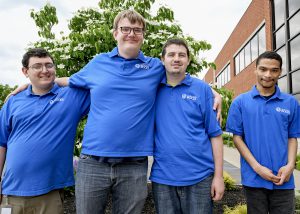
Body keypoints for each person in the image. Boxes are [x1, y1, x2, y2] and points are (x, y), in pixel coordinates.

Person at [9, 10, 222, 214]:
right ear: (115, 33)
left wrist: (212, 92)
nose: (131, 33)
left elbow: (181, 76)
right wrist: (31, 84)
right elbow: (70, 81)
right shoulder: (98, 63)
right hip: (93, 163)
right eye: (126, 28)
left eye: (137, 30)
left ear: (143, 36)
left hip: (134, 165)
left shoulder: (154, 67)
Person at [0, 48, 90, 214]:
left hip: (50, 194)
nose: (44, 70)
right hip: (11, 193)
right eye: (37, 66)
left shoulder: (72, 97)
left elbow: (99, 83)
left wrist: (57, 81)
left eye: (49, 65)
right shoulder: (13, 102)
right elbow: (1, 144)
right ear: (25, 71)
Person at [150, 38, 224, 214]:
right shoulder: (151, 88)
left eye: (182, 55)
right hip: (163, 177)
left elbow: (215, 135)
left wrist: (219, 177)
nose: (176, 59)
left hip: (200, 177)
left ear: (188, 60)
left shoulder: (202, 89)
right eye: (171, 55)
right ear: (162, 59)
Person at [226, 51, 299, 214]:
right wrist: (257, 167)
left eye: (274, 70)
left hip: (283, 179)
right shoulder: (240, 102)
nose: (268, 74)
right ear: (255, 70)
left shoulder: (291, 103)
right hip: (254, 178)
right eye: (263, 69)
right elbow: (237, 138)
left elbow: (292, 137)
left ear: (280, 72)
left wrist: (290, 165)